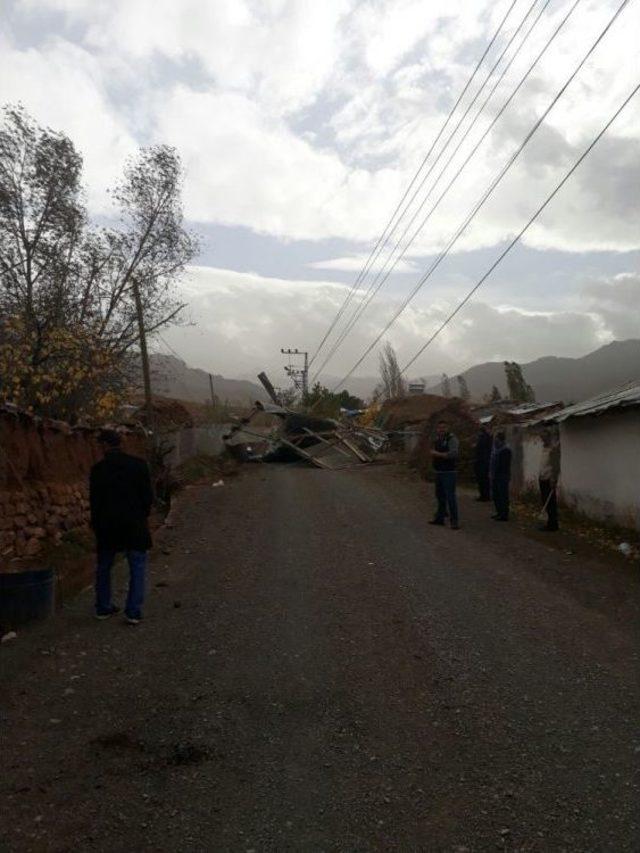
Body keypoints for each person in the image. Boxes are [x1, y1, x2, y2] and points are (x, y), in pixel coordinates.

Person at [90, 429, 153, 624]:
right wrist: (142, 516)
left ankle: (103, 607)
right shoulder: (138, 465)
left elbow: (95, 502)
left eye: (100, 444)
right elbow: (147, 497)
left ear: (105, 445)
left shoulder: (98, 470)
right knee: (137, 566)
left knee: (104, 567)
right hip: (134, 523)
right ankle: (133, 611)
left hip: (107, 526)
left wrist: (97, 524)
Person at [429, 420, 460, 530]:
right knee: (440, 496)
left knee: (450, 497)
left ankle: (454, 521)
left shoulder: (452, 439)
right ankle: (440, 518)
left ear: (448, 428)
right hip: (439, 472)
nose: (441, 430)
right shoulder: (438, 439)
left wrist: (438, 454)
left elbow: (454, 454)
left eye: (443, 427)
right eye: (439, 428)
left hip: (449, 472)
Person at [539, 429, 560, 531]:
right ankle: (548, 521)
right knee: (545, 501)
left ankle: (553, 524)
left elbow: (555, 466)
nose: (542, 440)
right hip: (542, 477)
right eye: (541, 438)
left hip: (549, 479)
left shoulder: (553, 449)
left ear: (548, 437)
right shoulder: (544, 448)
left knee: (550, 502)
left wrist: (553, 479)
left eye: (544, 437)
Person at [490, 430, 512, 521]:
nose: (495, 442)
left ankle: (504, 514)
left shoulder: (505, 450)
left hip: (502, 476)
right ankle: (499, 512)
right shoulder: (496, 450)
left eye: (497, 440)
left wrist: (495, 473)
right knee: (496, 495)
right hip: (496, 475)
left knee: (503, 495)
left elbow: (503, 465)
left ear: (501, 440)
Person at [473, 423, 493, 502]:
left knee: (483, 480)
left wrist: (476, 446)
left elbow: (482, 448)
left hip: (483, 461)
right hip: (482, 461)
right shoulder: (485, 437)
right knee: (482, 480)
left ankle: (485, 496)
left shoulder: (485, 437)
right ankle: (484, 495)